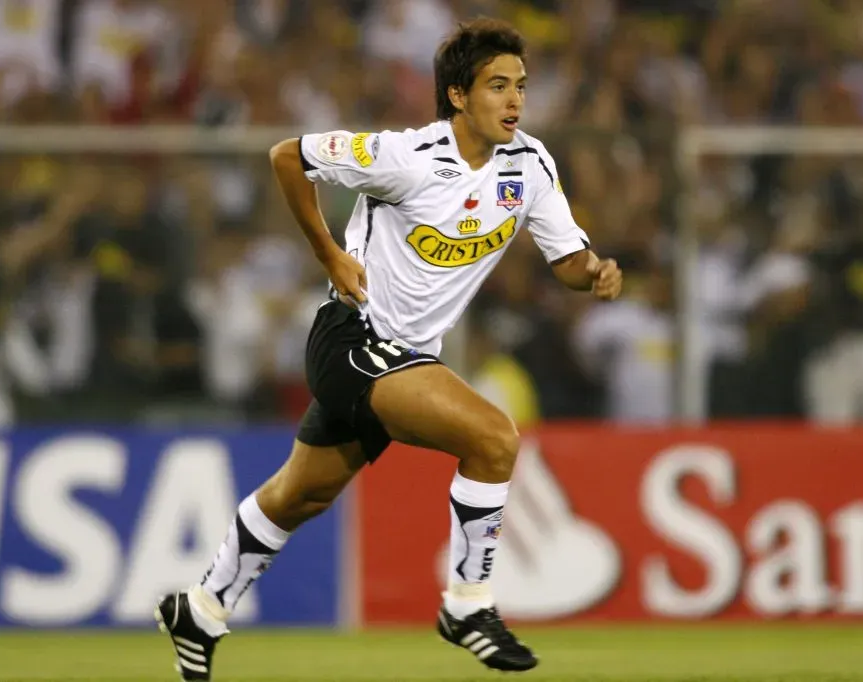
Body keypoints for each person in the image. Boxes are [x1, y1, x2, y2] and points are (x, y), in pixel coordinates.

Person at [155, 17, 622, 681]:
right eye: (497, 85)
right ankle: (467, 603)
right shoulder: (407, 157)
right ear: (458, 95)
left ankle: (200, 608)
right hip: (353, 339)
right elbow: (288, 156)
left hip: (407, 358)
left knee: (299, 497)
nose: (515, 99)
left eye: (520, 85)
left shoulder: (530, 167)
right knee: (493, 438)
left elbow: (566, 259)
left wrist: (594, 271)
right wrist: (330, 254)